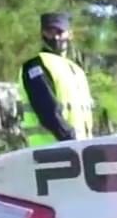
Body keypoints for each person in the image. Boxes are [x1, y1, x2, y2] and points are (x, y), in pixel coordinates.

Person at [19, 12, 94, 145]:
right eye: (50, 32)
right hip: (49, 152)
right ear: (42, 34)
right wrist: (71, 138)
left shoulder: (77, 70)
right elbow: (47, 111)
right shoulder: (35, 66)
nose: (55, 37)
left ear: (70, 34)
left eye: (60, 31)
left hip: (80, 150)